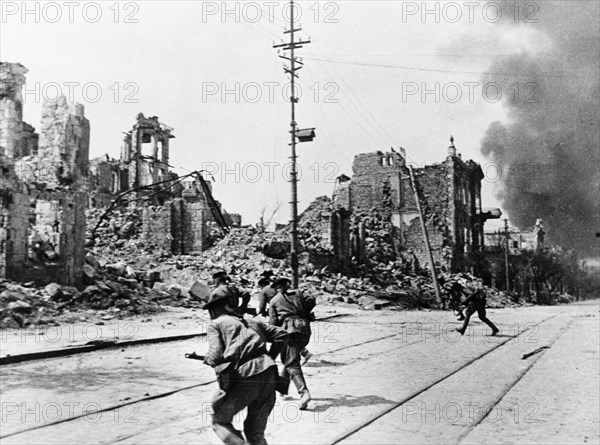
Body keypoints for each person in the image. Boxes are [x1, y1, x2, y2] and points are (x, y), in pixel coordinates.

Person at [203, 285, 292, 445]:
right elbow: (282, 335)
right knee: (255, 432)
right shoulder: (253, 322)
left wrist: (208, 359)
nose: (211, 313)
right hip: (270, 376)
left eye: (212, 308)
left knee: (219, 420)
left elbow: (215, 356)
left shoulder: (216, 324)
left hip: (246, 376)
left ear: (222, 306)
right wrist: (268, 358)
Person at [269, 277, 315, 410]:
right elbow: (311, 299)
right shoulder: (298, 293)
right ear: (287, 285)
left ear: (277, 288)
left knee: (291, 362)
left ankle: (304, 393)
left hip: (289, 330)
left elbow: (273, 324)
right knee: (290, 358)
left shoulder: (274, 301)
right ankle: (282, 389)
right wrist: (304, 312)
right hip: (304, 329)